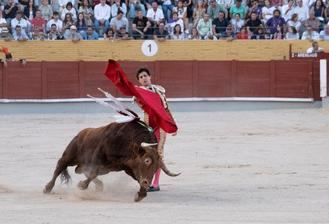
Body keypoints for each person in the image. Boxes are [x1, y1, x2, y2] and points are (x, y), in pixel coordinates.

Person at [135, 68, 177, 192]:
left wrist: (172, 125)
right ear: (139, 80)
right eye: (141, 77)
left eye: (145, 76)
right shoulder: (138, 93)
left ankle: (156, 183)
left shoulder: (159, 90)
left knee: (158, 153)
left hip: (161, 124)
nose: (144, 78)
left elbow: (166, 109)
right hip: (148, 126)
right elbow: (143, 106)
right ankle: (145, 179)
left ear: (150, 77)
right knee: (147, 153)